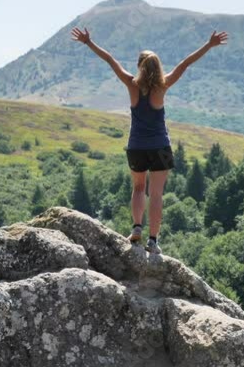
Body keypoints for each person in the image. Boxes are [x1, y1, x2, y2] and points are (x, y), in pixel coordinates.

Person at [70, 27, 229, 254]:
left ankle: (137, 228)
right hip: (160, 147)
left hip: (136, 147)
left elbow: (110, 60)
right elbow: (185, 64)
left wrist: (89, 42)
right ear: (158, 66)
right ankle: (153, 241)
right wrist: (209, 44)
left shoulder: (131, 84)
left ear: (139, 66)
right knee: (156, 194)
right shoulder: (163, 85)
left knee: (138, 188)